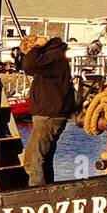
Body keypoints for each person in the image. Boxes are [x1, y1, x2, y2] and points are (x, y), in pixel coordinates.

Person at [16, 33, 77, 187]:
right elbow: (28, 67)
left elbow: (29, 64)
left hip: (49, 116)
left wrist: (37, 46)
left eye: (28, 52)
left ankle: (37, 195)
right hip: (49, 115)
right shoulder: (52, 58)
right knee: (44, 159)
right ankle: (48, 189)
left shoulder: (53, 57)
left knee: (33, 160)